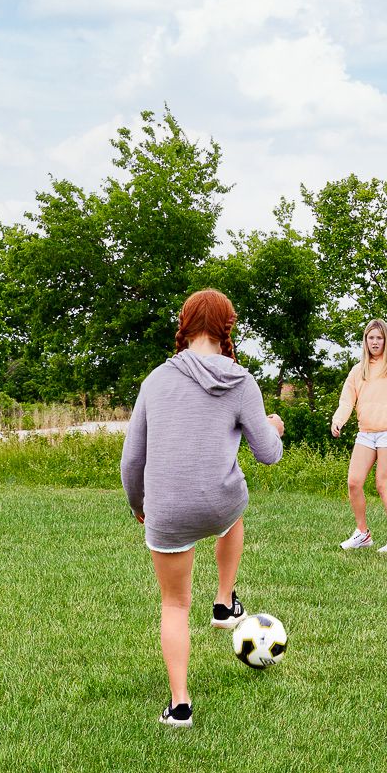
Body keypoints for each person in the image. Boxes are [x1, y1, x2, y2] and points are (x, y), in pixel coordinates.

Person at [121, 289, 285, 728]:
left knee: (174, 604)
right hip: (219, 504)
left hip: (168, 510)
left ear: (186, 323)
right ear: (227, 327)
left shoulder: (155, 380)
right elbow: (268, 453)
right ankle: (224, 601)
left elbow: (131, 460)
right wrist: (274, 427)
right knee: (234, 506)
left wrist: (139, 505)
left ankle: (180, 706)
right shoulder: (240, 380)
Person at [330, 319, 387, 553]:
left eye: (379, 338)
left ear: (386, 340)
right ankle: (362, 533)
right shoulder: (358, 370)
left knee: (383, 484)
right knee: (354, 482)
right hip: (366, 433)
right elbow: (346, 400)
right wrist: (338, 420)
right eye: (370, 338)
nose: (374, 342)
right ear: (365, 341)